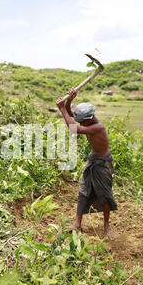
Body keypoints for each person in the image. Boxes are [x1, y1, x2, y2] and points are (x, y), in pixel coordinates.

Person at [56, 88, 118, 240]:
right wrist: (69, 100)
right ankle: (77, 224)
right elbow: (72, 117)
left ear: (89, 119)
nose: (81, 123)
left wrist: (62, 108)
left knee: (104, 195)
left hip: (103, 164)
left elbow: (73, 128)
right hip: (93, 159)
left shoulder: (98, 128)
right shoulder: (89, 122)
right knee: (83, 190)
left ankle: (106, 226)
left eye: (82, 121)